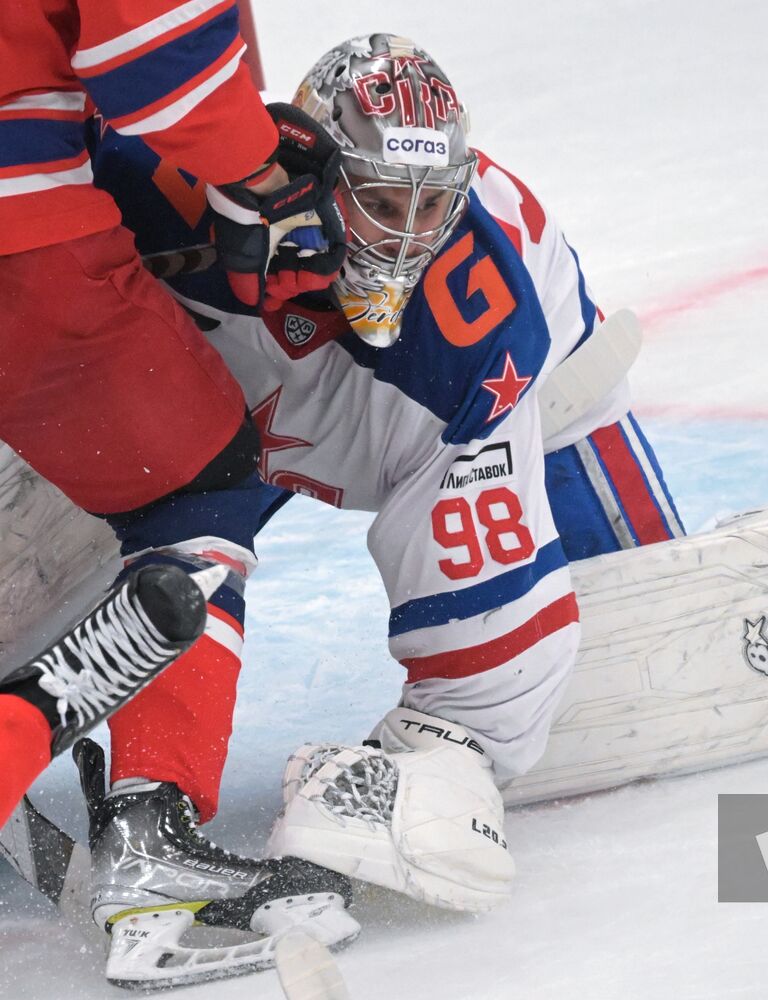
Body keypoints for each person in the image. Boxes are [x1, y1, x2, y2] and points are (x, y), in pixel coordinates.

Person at [76, 29, 683, 979]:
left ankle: (639, 572)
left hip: (498, 399)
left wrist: (443, 748)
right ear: (310, 166)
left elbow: (491, 650)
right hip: (233, 384)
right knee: (179, 512)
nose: (404, 234)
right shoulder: (162, 176)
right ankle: (140, 787)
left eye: (429, 204)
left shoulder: (475, 325)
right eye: (380, 201)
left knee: (547, 637)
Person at [0, 2, 360, 988]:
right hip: (18, 235)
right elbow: (154, 59)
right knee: (195, 485)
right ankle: (149, 836)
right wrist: (262, 168)